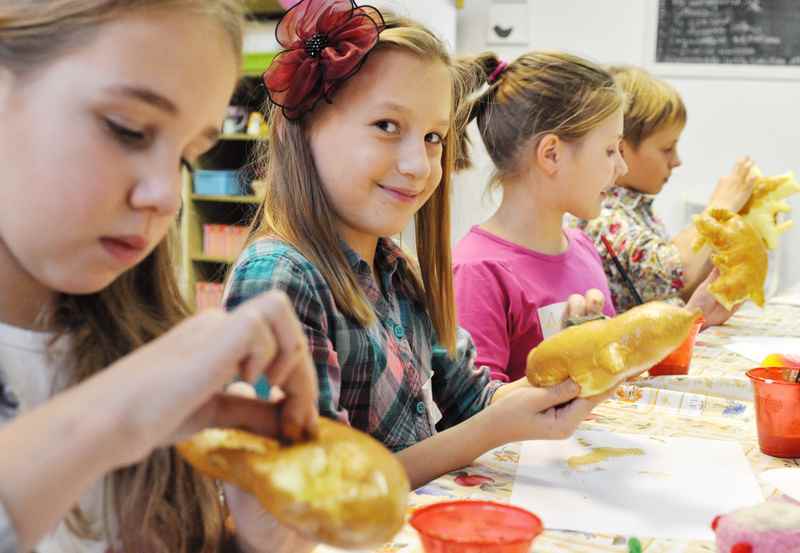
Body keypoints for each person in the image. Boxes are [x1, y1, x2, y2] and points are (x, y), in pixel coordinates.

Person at [225, 0, 612, 491]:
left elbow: (475, 398)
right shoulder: (278, 278)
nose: (420, 165)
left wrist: (570, 363)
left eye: (433, 137)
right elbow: (321, 489)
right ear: (300, 130)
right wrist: (486, 431)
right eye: (387, 126)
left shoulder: (398, 271)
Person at [0, 2, 318, 551]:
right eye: (128, 130)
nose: (166, 197)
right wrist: (108, 417)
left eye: (187, 157)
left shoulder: (139, 342)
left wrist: (249, 543)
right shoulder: (131, 391)